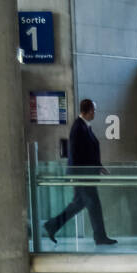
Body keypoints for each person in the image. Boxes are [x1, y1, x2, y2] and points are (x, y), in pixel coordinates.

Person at [44, 99, 117, 247]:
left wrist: (99, 166)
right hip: (83, 176)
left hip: (85, 174)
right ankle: (100, 237)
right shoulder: (79, 127)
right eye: (94, 110)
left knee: (77, 205)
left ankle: (52, 225)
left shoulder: (84, 127)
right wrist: (77, 176)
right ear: (89, 111)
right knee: (94, 205)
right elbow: (76, 154)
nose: (95, 113)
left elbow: (88, 152)